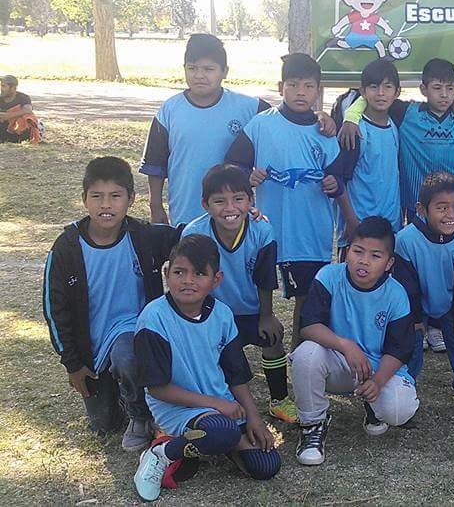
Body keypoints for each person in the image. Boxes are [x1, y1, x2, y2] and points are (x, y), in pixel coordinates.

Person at [42, 156, 180, 452]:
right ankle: (120, 389)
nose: (106, 205)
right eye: (97, 196)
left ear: (130, 199)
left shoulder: (143, 236)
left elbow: (190, 235)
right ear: (84, 200)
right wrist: (73, 364)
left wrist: (242, 213)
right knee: (104, 424)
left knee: (127, 356)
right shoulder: (66, 248)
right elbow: (55, 312)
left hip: (132, 332)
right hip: (91, 346)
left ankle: (141, 417)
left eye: (115, 196)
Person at [132, 235, 280, 501]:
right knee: (221, 431)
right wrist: (215, 404)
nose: (188, 280)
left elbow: (236, 376)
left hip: (220, 406)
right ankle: (160, 454)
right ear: (167, 273)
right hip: (177, 408)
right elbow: (157, 388)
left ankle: (220, 440)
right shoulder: (153, 318)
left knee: (266, 466)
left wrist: (254, 417)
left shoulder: (222, 315)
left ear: (216, 280)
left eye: (199, 273)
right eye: (180, 272)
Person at [225, 53, 349, 349]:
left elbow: (338, 176)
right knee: (255, 292)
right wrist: (247, 177)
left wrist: (334, 184)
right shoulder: (260, 126)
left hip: (311, 231)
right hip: (266, 229)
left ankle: (299, 353)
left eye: (308, 86)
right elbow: (232, 166)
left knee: (306, 299)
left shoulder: (325, 133)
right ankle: (250, 352)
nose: (300, 93)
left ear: (318, 91)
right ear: (281, 87)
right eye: (293, 85)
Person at [290, 217, 418, 466]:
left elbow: (400, 348)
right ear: (346, 252)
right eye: (357, 251)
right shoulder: (328, 276)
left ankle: (373, 405)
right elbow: (308, 326)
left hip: (377, 368)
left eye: (375, 256)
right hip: (339, 362)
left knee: (398, 410)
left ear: (389, 263)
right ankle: (313, 425)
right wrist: (346, 345)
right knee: (306, 354)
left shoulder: (396, 294)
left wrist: (379, 381)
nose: (364, 261)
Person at [181, 164, 297, 423]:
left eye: (238, 199)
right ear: (205, 204)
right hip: (212, 313)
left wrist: (266, 316)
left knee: (273, 335)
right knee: (211, 353)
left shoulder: (262, 230)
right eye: (219, 201)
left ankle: (279, 399)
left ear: (251, 200)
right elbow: (192, 282)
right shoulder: (194, 234)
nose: (230, 208)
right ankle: (217, 399)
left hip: (251, 311)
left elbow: (265, 279)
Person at [139, 34, 270, 226]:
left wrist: (320, 117)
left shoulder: (249, 107)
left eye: (209, 69)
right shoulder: (170, 110)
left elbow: (284, 120)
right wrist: (156, 207)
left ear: (225, 71)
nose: (199, 75)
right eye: (192, 68)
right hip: (186, 213)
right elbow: (155, 165)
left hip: (233, 215)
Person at [338, 58, 454, 224]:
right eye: (437, 88)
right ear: (423, 89)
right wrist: (351, 117)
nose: (444, 94)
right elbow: (368, 97)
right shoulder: (406, 113)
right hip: (417, 206)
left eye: (450, 89)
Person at [392, 172, 454, 420]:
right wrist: (416, 318)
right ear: (422, 209)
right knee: (409, 347)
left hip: (452, 304)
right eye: (442, 208)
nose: (451, 215)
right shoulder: (406, 241)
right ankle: (403, 390)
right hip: (415, 306)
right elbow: (405, 284)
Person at [335, 59, 403, 241]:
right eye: (374, 87)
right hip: (359, 225)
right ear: (363, 91)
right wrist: (350, 219)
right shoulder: (355, 131)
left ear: (397, 92)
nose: (381, 93)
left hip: (390, 224)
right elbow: (339, 180)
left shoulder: (395, 123)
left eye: (387, 87)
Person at [0, 75, 41, 143]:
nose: (1, 88)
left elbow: (28, 110)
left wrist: (9, 115)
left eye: (3, 86)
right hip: (3, 126)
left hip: (17, 129)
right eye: (1, 85)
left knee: (26, 117)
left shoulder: (23, 97)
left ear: (13, 88)